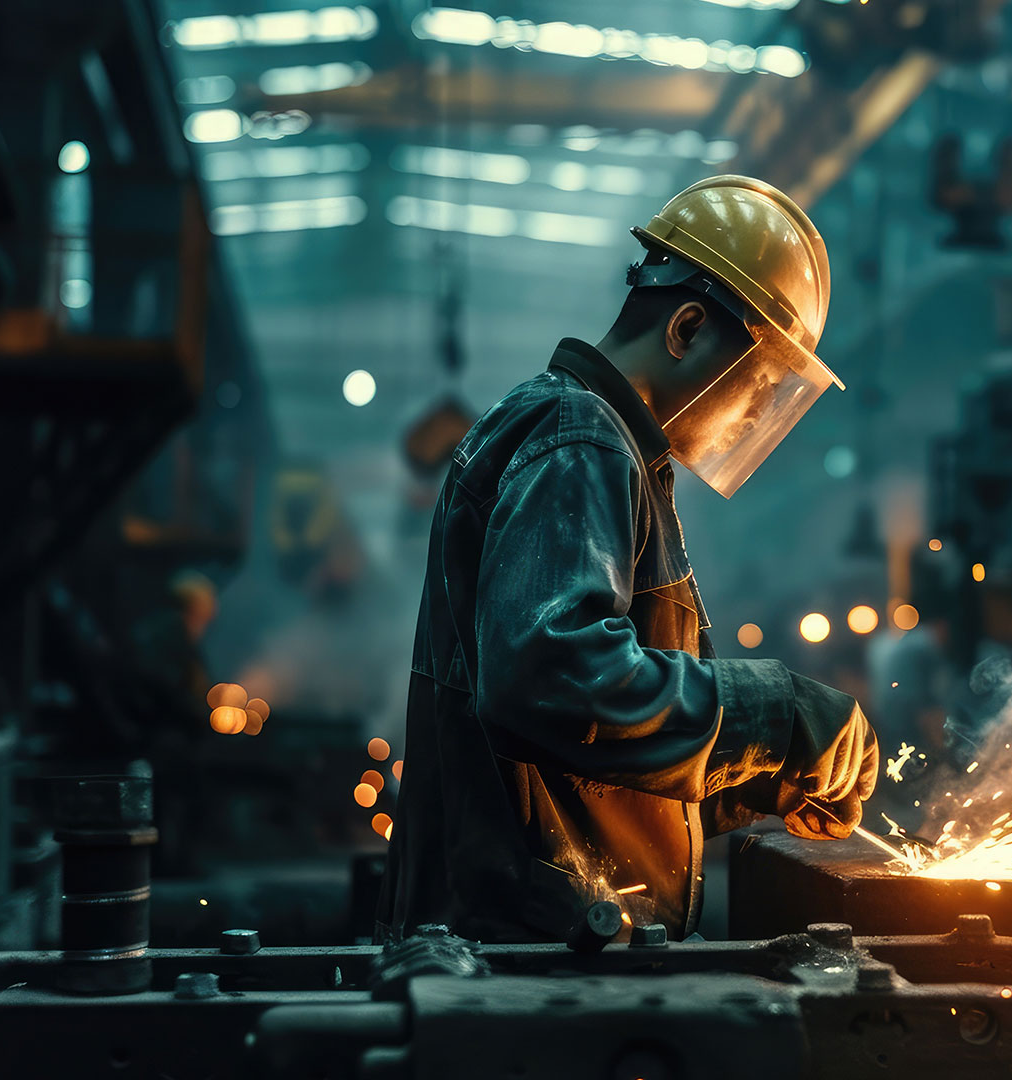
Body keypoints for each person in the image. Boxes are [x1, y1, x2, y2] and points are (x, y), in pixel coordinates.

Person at [376, 176, 880, 943]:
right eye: (756, 386)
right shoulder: (579, 436)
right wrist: (776, 714)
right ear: (685, 327)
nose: (752, 413)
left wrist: (760, 781)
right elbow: (550, 674)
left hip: (540, 938)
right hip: (525, 955)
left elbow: (580, 762)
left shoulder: (606, 451)